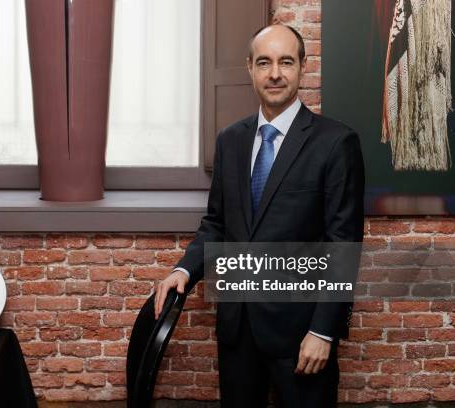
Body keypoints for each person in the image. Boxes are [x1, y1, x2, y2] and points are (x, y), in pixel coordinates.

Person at [153, 24, 365, 408]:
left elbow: (343, 247)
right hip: (238, 332)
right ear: (250, 68)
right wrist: (183, 270)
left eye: (286, 61)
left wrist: (323, 331)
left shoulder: (336, 143)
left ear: (303, 67)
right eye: (264, 62)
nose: (275, 73)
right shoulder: (230, 140)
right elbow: (217, 223)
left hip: (302, 336)